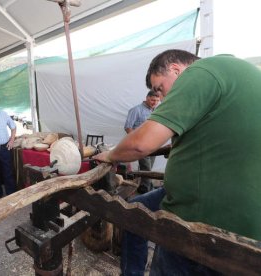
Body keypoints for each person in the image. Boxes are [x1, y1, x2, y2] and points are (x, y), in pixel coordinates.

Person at [94, 49, 261, 275]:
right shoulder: (238, 72)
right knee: (134, 211)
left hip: (204, 214)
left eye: (160, 89)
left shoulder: (200, 72)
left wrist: (111, 155)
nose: (161, 98)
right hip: (235, 207)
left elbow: (141, 144)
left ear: (175, 69)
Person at [124, 90, 160, 194]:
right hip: (141, 145)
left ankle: (145, 187)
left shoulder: (155, 110)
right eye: (153, 100)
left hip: (153, 144)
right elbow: (128, 127)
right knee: (146, 168)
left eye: (157, 101)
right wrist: (136, 141)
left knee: (149, 169)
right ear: (147, 98)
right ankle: (146, 190)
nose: (155, 103)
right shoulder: (136, 110)